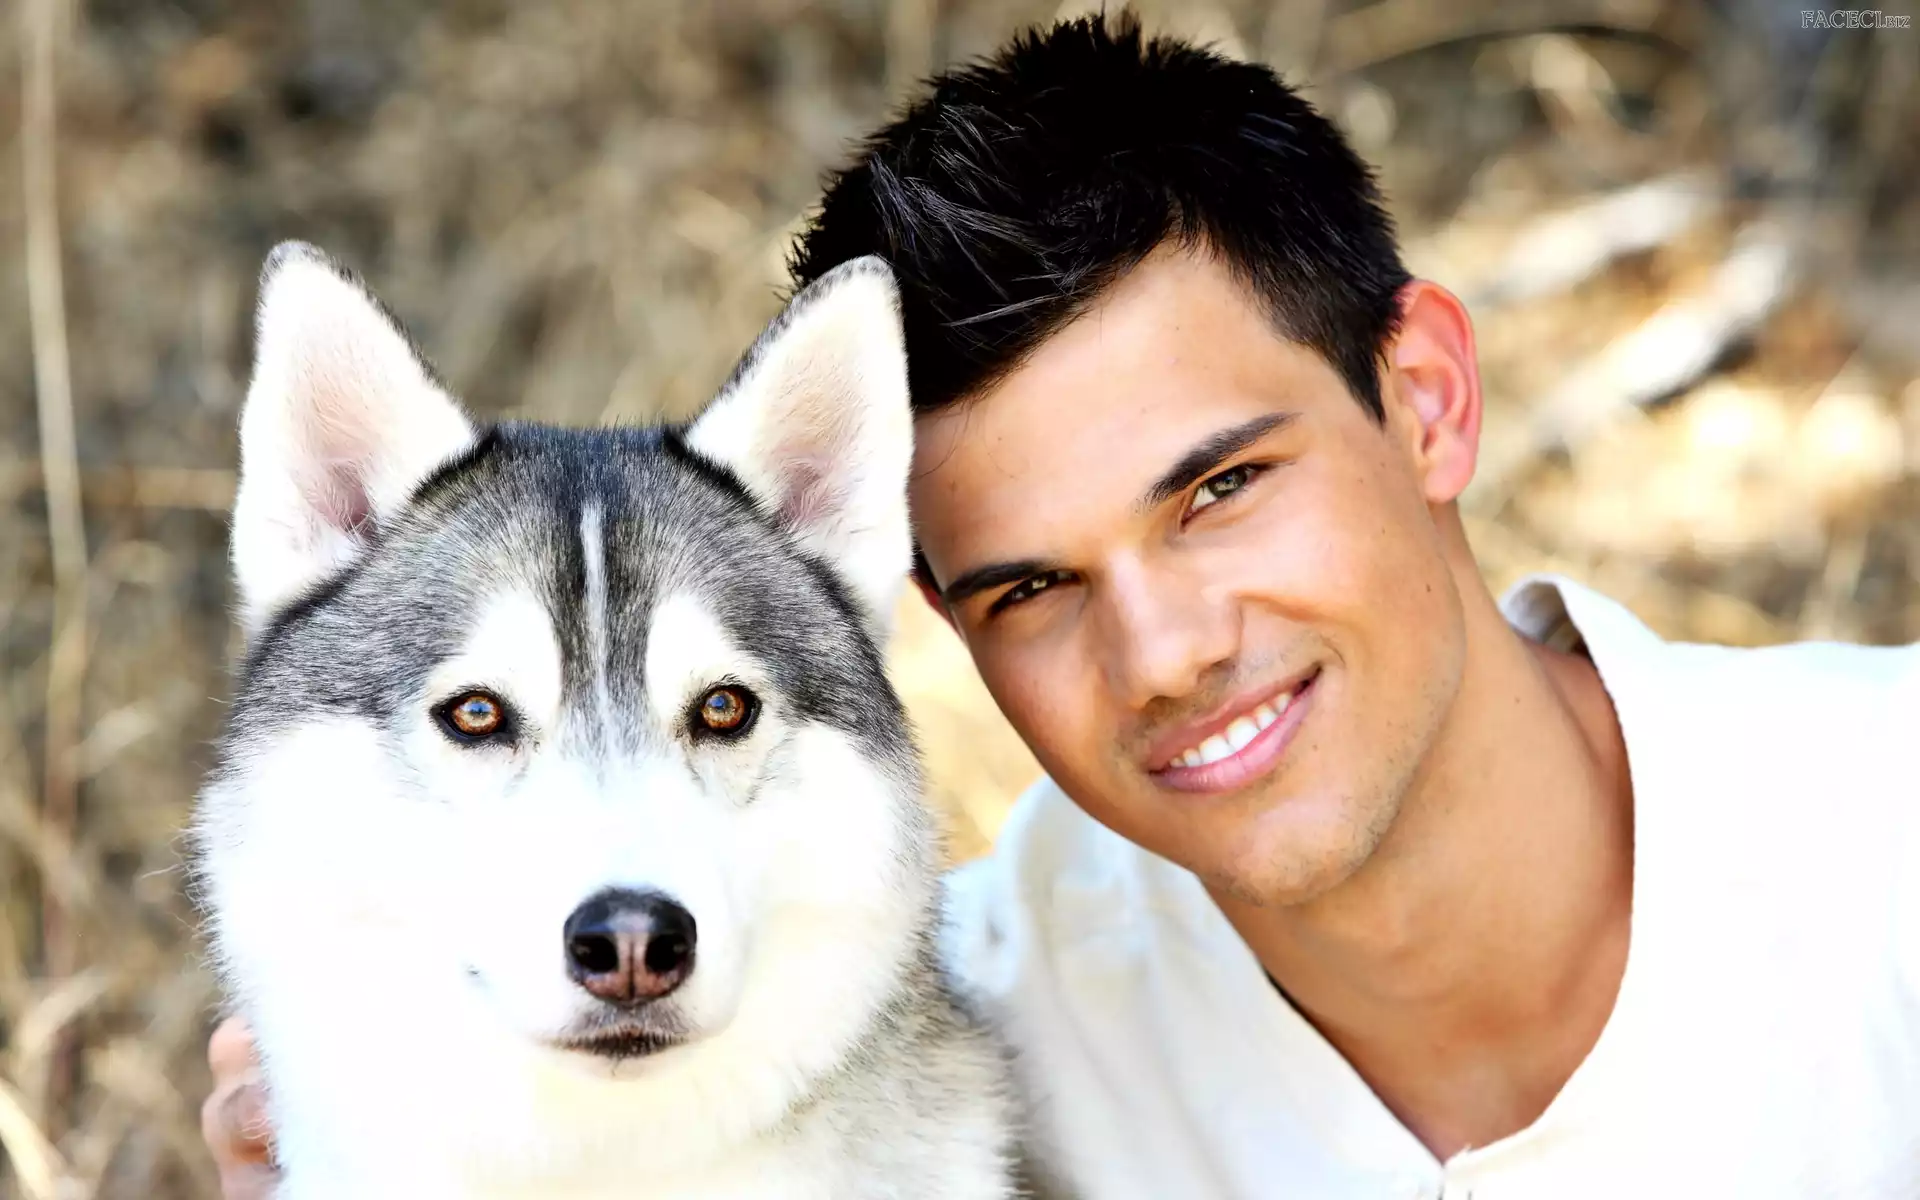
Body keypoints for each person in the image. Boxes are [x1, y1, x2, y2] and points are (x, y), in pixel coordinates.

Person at [203, 15, 1920, 1198]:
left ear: (1428, 401)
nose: (1167, 653)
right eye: (1034, 585)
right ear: (937, 623)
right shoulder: (966, 1015)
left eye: (1221, 490)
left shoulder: (1884, 835)